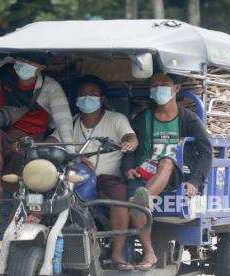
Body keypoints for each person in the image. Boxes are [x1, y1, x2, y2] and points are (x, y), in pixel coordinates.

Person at [0, 55, 73, 274]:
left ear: (41, 67)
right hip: (7, 141)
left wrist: (71, 153)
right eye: (20, 61)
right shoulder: (3, 79)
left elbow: (63, 122)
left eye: (30, 63)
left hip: (34, 145)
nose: (23, 67)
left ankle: (1, 256)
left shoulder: (51, 88)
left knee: (20, 195)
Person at [121, 72, 213, 270]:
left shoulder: (188, 119)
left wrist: (196, 182)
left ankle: (144, 199)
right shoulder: (142, 118)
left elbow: (207, 152)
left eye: (164, 84)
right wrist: (128, 168)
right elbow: (130, 146)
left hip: (176, 174)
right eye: (154, 84)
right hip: (144, 173)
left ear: (176, 89)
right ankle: (149, 254)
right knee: (136, 201)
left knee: (166, 162)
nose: (158, 87)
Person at [47, 75, 139, 271]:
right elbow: (53, 141)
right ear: (76, 100)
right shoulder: (70, 123)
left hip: (106, 178)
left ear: (102, 98)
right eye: (82, 94)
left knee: (120, 201)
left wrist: (129, 143)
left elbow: (130, 137)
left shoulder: (116, 119)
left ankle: (116, 253)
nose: (86, 98)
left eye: (92, 94)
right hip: (74, 177)